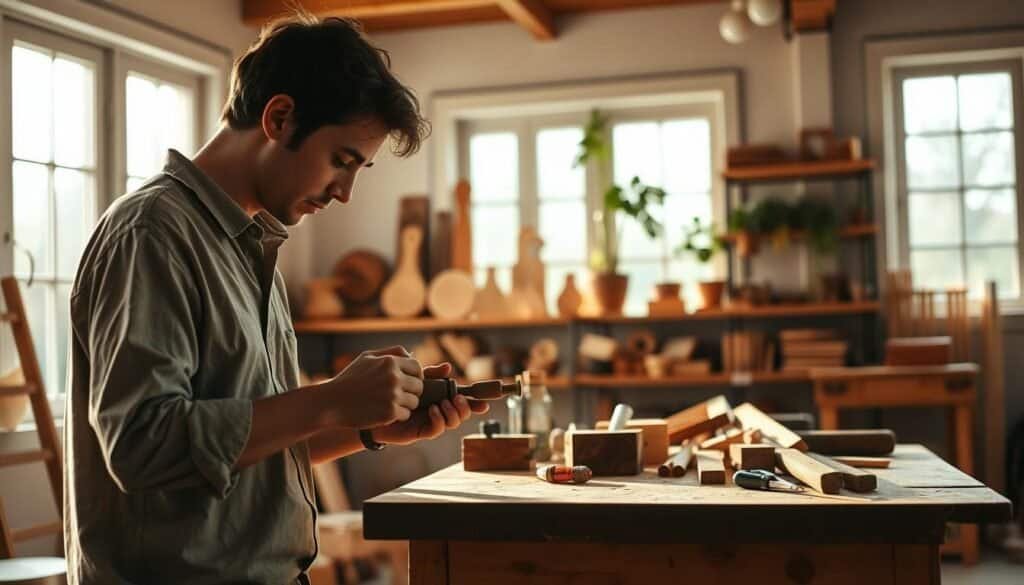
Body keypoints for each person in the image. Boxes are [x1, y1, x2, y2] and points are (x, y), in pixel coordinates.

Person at [63, 14, 485, 585]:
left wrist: (367, 426)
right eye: (342, 159)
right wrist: (331, 400)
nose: (345, 192)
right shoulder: (151, 233)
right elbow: (142, 446)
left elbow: (248, 447)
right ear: (279, 117)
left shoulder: (250, 246)